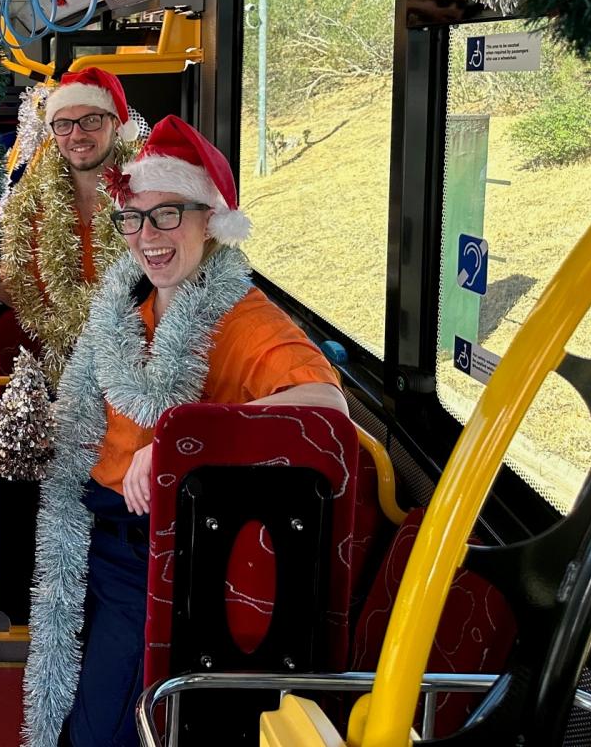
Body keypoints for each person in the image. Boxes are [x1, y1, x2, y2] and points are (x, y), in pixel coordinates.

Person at [22, 117, 347, 747]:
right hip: (90, 520)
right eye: (135, 219)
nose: (148, 236)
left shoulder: (241, 317)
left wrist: (179, 442)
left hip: (156, 540)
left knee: (98, 723)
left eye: (169, 215)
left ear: (211, 221)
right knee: (60, 689)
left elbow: (324, 405)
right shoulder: (135, 300)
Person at [0, 68, 141, 382]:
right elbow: (27, 296)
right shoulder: (29, 206)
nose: (76, 135)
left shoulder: (151, 197)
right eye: (63, 124)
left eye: (91, 120)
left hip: (140, 363)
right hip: (64, 372)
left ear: (116, 123)